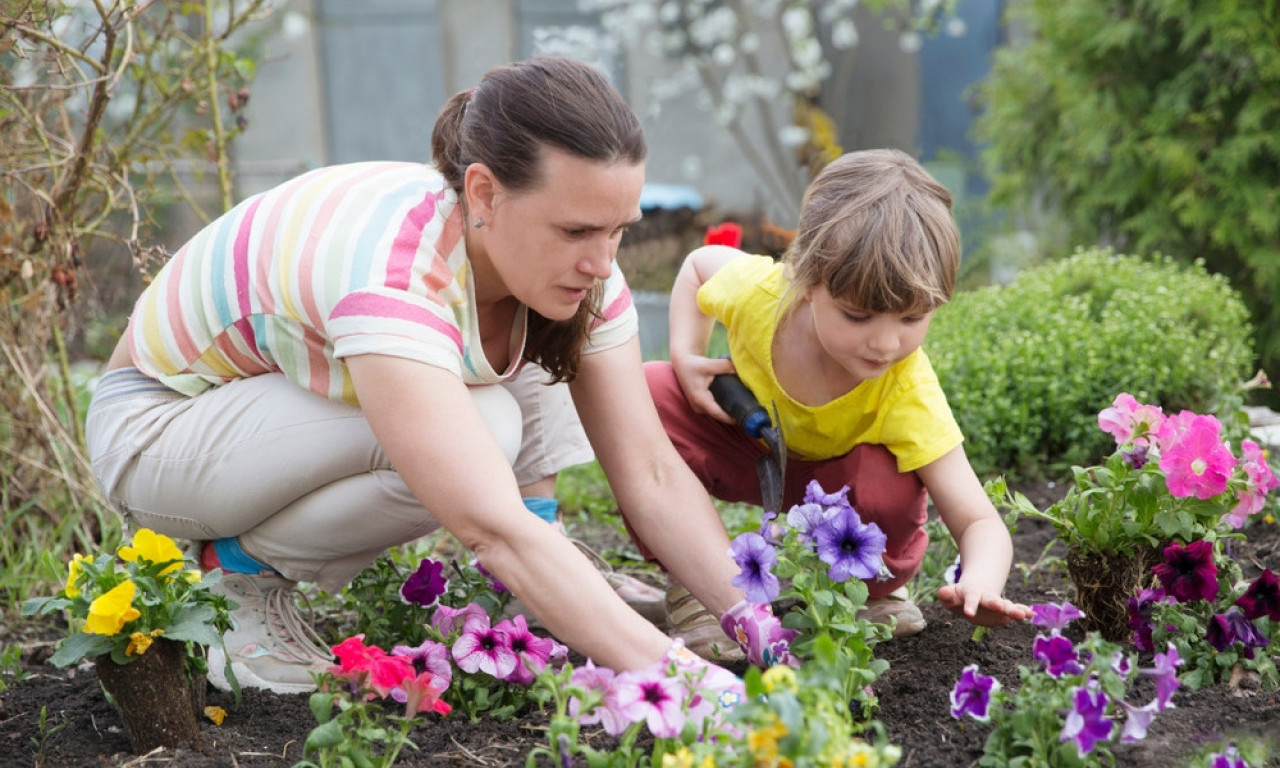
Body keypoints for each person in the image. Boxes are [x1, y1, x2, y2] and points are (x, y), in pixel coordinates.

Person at [85, 56, 766, 695]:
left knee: (505, 404)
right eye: (576, 231)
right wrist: (693, 686)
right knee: (486, 430)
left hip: (272, 414)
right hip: (158, 432)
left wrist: (761, 629)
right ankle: (235, 578)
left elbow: (648, 470)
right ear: (483, 193)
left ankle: (542, 573)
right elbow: (489, 527)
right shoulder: (392, 267)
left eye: (619, 229)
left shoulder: (568, 267)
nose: (601, 261)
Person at [642, 148, 1033, 660]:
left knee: (886, 478)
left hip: (841, 497)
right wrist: (686, 356)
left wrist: (981, 583)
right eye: (858, 316)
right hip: (748, 443)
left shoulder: (905, 387)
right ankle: (696, 580)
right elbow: (697, 267)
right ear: (807, 280)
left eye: (911, 319)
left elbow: (978, 519)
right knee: (647, 395)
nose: (885, 344)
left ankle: (868, 592)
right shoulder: (761, 295)